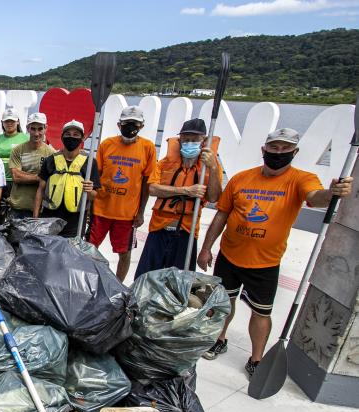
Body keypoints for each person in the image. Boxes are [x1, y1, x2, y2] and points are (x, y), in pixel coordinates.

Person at [197, 128, 352, 376]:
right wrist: (206, 248)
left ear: (294, 152)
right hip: (230, 254)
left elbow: (317, 197)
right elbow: (222, 214)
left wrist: (332, 193)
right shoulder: (241, 178)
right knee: (225, 302)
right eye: (274, 147)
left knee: (261, 313)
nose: (278, 153)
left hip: (264, 263)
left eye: (285, 148)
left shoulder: (300, 179)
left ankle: (256, 358)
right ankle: (220, 338)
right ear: (264, 150)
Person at [135, 118, 222, 278]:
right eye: (186, 139)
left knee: (179, 281)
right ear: (180, 139)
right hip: (159, 229)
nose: (189, 143)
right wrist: (187, 191)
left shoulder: (209, 168)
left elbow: (214, 196)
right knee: (145, 276)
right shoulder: (165, 163)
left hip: (186, 232)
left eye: (194, 139)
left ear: (203, 140)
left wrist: (213, 167)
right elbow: (153, 188)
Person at [90, 106, 160, 282]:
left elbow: (147, 182)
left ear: (141, 126)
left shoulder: (148, 148)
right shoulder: (107, 144)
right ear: (119, 124)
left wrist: (141, 212)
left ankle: (117, 286)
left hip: (127, 214)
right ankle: (88, 280)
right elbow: (95, 175)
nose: (131, 127)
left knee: (125, 253)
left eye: (135, 124)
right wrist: (90, 204)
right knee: (89, 249)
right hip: (100, 209)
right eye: (127, 123)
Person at [34, 120, 100, 238]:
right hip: (49, 219)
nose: (71, 137)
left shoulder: (90, 163)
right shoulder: (50, 160)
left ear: (82, 138)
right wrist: (35, 218)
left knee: (70, 254)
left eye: (76, 135)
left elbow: (94, 196)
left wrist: (89, 190)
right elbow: (40, 190)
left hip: (75, 222)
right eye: (68, 134)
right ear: (62, 137)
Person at [8, 112, 56, 219]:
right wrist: (40, 177)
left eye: (40, 129)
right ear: (27, 128)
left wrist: (24, 174)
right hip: (18, 207)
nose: (36, 133)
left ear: (45, 128)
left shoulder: (51, 153)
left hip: (41, 209)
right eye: (33, 128)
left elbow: (51, 181)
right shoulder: (17, 150)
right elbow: (16, 176)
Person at [0, 108, 29, 222]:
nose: (9, 123)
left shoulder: (25, 138)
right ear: (2, 123)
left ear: (18, 122)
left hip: (16, 182)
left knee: (15, 214)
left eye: (12, 121)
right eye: (6, 121)